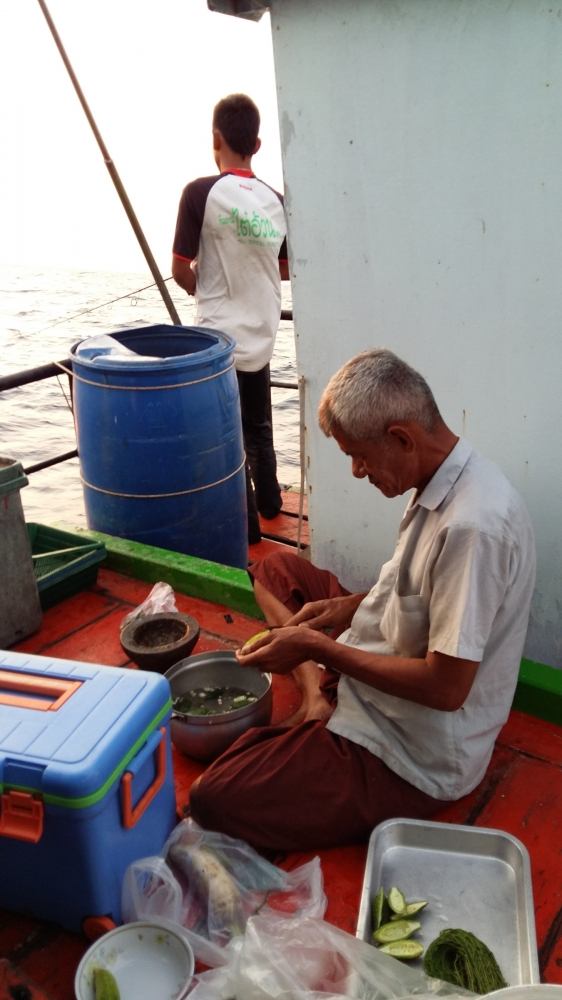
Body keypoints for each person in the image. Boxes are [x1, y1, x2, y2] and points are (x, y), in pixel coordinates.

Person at [189, 348, 536, 853]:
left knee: (213, 795)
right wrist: (344, 609)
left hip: (413, 752)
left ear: (400, 437)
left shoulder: (472, 527)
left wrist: (318, 647)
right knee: (273, 568)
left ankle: (316, 705)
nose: (356, 471)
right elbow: (413, 590)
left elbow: (446, 688)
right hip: (376, 656)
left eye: (360, 456)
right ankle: (315, 699)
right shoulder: (442, 478)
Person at [172, 93, 289, 545]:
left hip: (218, 344)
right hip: (262, 335)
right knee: (258, 426)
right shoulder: (277, 200)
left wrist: (197, 280)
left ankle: (248, 531)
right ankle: (271, 503)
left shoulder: (200, 193)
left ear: (215, 139)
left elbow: (182, 267)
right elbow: (283, 267)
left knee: (227, 439)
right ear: (256, 144)